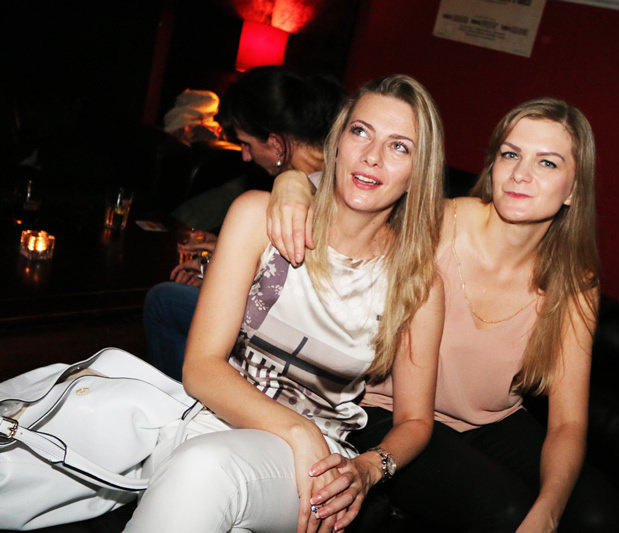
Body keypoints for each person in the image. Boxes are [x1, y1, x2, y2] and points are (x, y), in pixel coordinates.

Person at [266, 97, 619, 532]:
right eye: (510, 155)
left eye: (547, 163)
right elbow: (354, 194)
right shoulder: (433, 223)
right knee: (505, 512)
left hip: (490, 421)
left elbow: (568, 422)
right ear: (492, 167)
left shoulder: (574, 281)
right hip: (388, 412)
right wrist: (291, 181)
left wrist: (549, 511)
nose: (521, 174)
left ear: (573, 189)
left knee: (601, 519)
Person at [123, 74, 445, 533]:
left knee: (204, 469)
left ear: (419, 171)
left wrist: (370, 469)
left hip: (315, 462)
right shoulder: (257, 215)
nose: (372, 156)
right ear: (337, 143)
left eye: (399, 147)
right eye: (360, 132)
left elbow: (415, 420)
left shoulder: (417, 282)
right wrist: (297, 430)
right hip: (219, 416)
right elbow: (201, 367)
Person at [144, 66, 347, 381]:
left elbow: (295, 286)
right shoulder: (331, 174)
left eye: (246, 143)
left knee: (163, 301)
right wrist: (228, 251)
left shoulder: (296, 195)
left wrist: (213, 271)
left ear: (277, 144)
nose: (245, 156)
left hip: (295, 332)